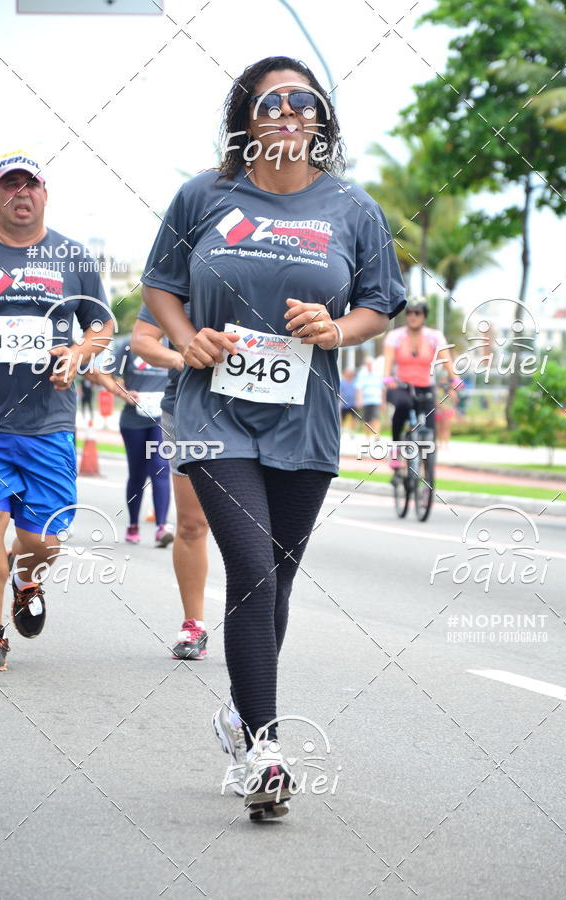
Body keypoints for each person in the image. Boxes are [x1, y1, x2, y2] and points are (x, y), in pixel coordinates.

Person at [142, 56, 406, 817]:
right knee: (253, 571)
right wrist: (186, 336)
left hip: (306, 419)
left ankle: (239, 712)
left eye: (305, 101)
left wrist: (337, 327)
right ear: (247, 119)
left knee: (277, 581)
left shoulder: (353, 209)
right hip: (213, 414)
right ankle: (264, 749)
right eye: (271, 102)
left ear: (320, 120)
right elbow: (159, 283)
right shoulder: (204, 195)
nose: (289, 111)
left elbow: (379, 303)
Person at [0, 151, 113, 671]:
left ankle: (26, 574)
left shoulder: (74, 258)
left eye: (31, 184)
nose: (22, 193)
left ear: (45, 193)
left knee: (43, 540)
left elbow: (101, 325)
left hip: (49, 422)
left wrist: (79, 354)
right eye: (9, 185)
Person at [130, 306, 210, 660]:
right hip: (187, 407)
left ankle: (260, 622)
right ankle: (194, 624)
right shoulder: (176, 272)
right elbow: (142, 341)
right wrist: (181, 358)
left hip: (267, 408)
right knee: (192, 524)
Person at [87, 337, 175, 548]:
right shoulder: (130, 344)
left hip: (163, 419)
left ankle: (161, 527)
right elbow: (103, 373)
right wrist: (122, 393)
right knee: (137, 473)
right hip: (133, 420)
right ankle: (133, 524)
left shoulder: (175, 342)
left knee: (160, 468)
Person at [383, 297, 460, 468]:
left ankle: (427, 475)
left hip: (426, 386)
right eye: (409, 312)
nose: (413, 316)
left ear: (424, 315)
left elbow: (446, 360)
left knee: (430, 429)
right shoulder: (395, 336)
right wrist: (387, 378)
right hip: (402, 386)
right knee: (403, 405)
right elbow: (388, 360)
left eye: (417, 312)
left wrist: (454, 378)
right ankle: (396, 449)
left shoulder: (434, 336)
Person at [355, 355, 383, 434]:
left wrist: (383, 401)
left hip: (376, 399)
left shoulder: (378, 374)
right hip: (366, 400)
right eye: (368, 364)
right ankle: (367, 436)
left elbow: (382, 388)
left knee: (375, 418)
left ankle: (376, 435)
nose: (369, 365)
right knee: (367, 419)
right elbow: (359, 388)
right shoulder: (362, 374)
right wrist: (358, 400)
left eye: (371, 364)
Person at [339, 368, 357, 432]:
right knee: (342, 417)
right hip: (344, 404)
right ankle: (341, 430)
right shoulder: (342, 382)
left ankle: (353, 431)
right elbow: (340, 392)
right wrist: (340, 401)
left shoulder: (355, 381)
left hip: (353, 403)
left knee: (354, 418)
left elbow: (357, 391)